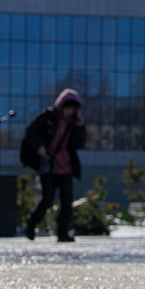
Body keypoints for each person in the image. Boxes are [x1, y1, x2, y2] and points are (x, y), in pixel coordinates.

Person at [22, 89, 86, 243]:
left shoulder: (74, 123)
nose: (69, 111)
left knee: (67, 200)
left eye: (72, 109)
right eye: (67, 108)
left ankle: (62, 233)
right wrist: (39, 146)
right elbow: (30, 131)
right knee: (47, 199)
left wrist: (79, 127)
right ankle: (31, 223)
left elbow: (80, 144)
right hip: (49, 166)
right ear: (61, 105)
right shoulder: (48, 117)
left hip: (66, 167)